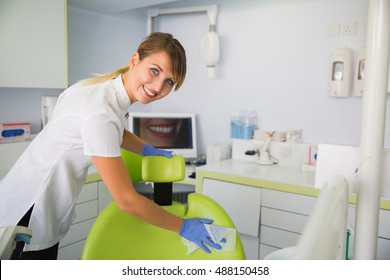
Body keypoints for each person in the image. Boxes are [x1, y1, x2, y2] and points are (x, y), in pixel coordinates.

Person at [0, 32, 221, 259]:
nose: (157, 86)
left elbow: (117, 131)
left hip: (18, 195)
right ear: (135, 60)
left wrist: (146, 149)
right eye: (155, 70)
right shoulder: (100, 115)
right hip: (29, 212)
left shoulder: (96, 90)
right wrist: (183, 226)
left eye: (169, 81)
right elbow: (127, 200)